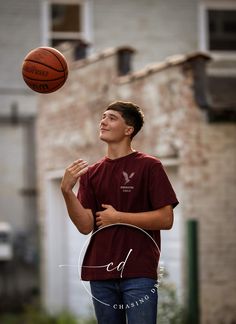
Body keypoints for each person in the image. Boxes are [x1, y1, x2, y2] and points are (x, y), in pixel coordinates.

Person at [61, 101, 179, 324]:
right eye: (103, 117)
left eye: (112, 117)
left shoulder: (149, 166)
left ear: (128, 130)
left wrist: (118, 217)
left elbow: (166, 218)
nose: (103, 121)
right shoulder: (91, 174)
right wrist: (67, 191)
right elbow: (86, 225)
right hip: (100, 273)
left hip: (139, 271)